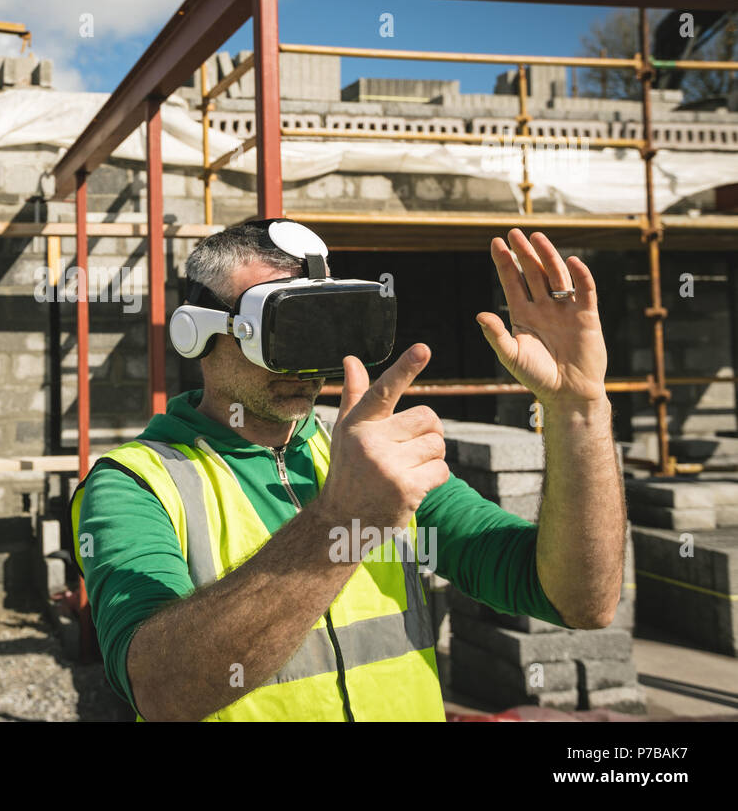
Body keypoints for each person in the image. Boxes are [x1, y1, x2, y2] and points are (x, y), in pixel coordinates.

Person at [70, 219, 625, 721]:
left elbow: (579, 600)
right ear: (197, 332)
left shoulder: (367, 455)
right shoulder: (134, 483)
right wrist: (345, 516)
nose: (310, 364)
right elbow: (161, 689)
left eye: (325, 328)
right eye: (284, 332)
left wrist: (578, 409)